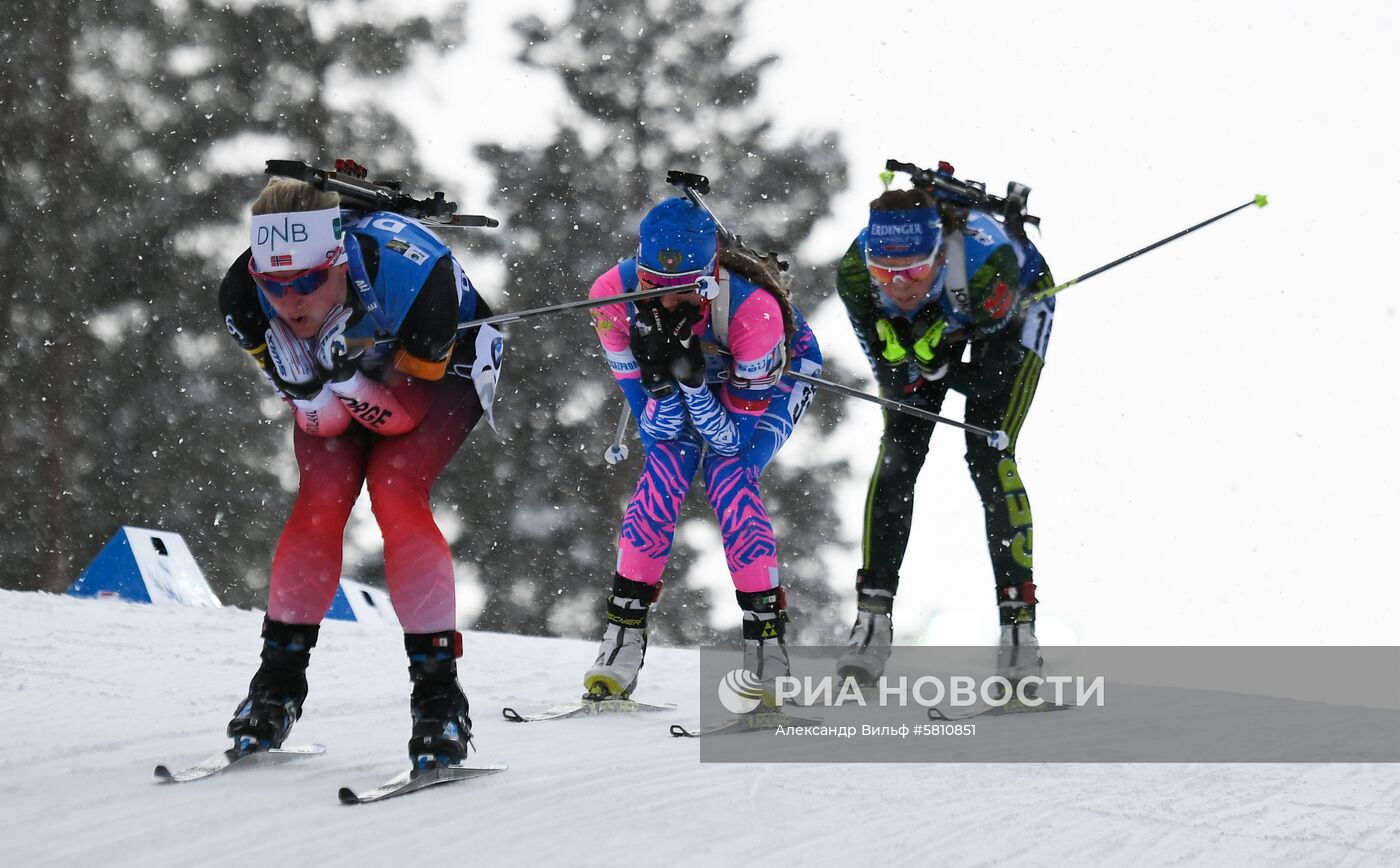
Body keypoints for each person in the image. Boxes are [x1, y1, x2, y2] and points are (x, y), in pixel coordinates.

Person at [218, 175, 504, 765]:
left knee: (395, 489)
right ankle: (276, 686)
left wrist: (345, 378)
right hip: (354, 364)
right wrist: (307, 386)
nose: (291, 301)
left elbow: (402, 419)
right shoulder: (243, 297)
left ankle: (439, 699)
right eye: (276, 284)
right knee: (321, 497)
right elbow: (323, 426)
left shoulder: (415, 279)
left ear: (339, 263)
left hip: (444, 359)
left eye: (307, 281)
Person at [582, 197, 822, 703]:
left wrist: (691, 386)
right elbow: (658, 434)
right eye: (654, 285)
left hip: (774, 373)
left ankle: (766, 646)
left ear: (711, 274)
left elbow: (730, 439)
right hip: (698, 379)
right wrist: (663, 386)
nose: (667, 302)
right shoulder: (611, 296)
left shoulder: (755, 312)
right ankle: (622, 636)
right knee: (663, 472)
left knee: (729, 476)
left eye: (685, 289)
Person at [833, 184, 1055, 687]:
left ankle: (1019, 632)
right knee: (898, 455)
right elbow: (891, 379)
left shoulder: (986, 267)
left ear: (937, 255)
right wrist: (912, 364)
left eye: (913, 271)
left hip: (1013, 306)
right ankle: (871, 623)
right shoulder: (855, 276)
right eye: (885, 273)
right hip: (940, 325)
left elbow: (991, 380)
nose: (899, 287)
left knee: (988, 453)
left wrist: (940, 367)